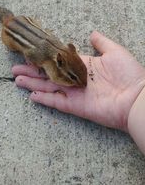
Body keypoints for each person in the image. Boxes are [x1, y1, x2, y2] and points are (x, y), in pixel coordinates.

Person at [12, 31, 145, 155]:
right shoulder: (45, 57)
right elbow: (30, 53)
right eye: (74, 78)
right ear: (59, 61)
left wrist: (137, 93)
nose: (83, 85)